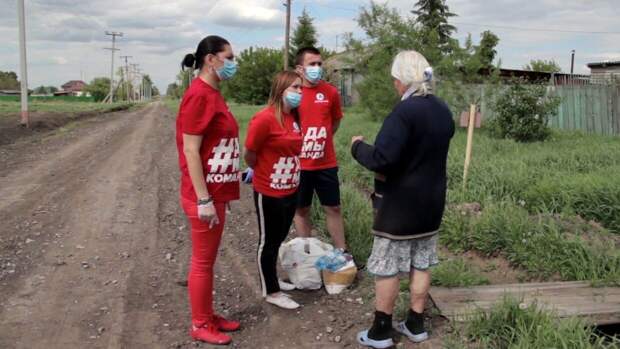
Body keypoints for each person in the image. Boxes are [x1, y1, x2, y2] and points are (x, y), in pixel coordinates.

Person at [351, 51, 454, 348]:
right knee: (421, 263)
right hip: (431, 203)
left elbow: (383, 159)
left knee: (387, 266)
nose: (394, 85)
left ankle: (381, 332)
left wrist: (358, 147)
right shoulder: (441, 109)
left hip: (399, 206)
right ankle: (415, 324)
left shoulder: (404, 113)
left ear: (402, 79)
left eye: (395, 79)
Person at [176, 35, 241, 345]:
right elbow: (191, 150)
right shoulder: (199, 95)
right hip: (203, 195)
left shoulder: (214, 93)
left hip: (216, 191)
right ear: (211, 60)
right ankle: (200, 323)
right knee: (202, 261)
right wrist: (204, 198)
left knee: (209, 259)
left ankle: (208, 314)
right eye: (229, 57)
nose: (233, 63)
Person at [244, 71, 304, 310]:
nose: (300, 92)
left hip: (291, 189)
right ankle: (271, 291)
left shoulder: (295, 118)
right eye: (295, 88)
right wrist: (261, 171)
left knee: (279, 237)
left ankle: (273, 277)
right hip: (268, 191)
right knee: (267, 242)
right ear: (281, 91)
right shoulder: (264, 119)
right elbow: (250, 153)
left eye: (301, 88)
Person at [293, 46, 351, 259]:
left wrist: (320, 140)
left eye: (319, 63)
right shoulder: (293, 93)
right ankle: (307, 254)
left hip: (325, 163)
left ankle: (341, 253)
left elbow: (334, 123)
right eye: (312, 64)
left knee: (333, 208)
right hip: (299, 165)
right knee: (301, 210)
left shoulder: (331, 92)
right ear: (300, 69)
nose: (317, 68)